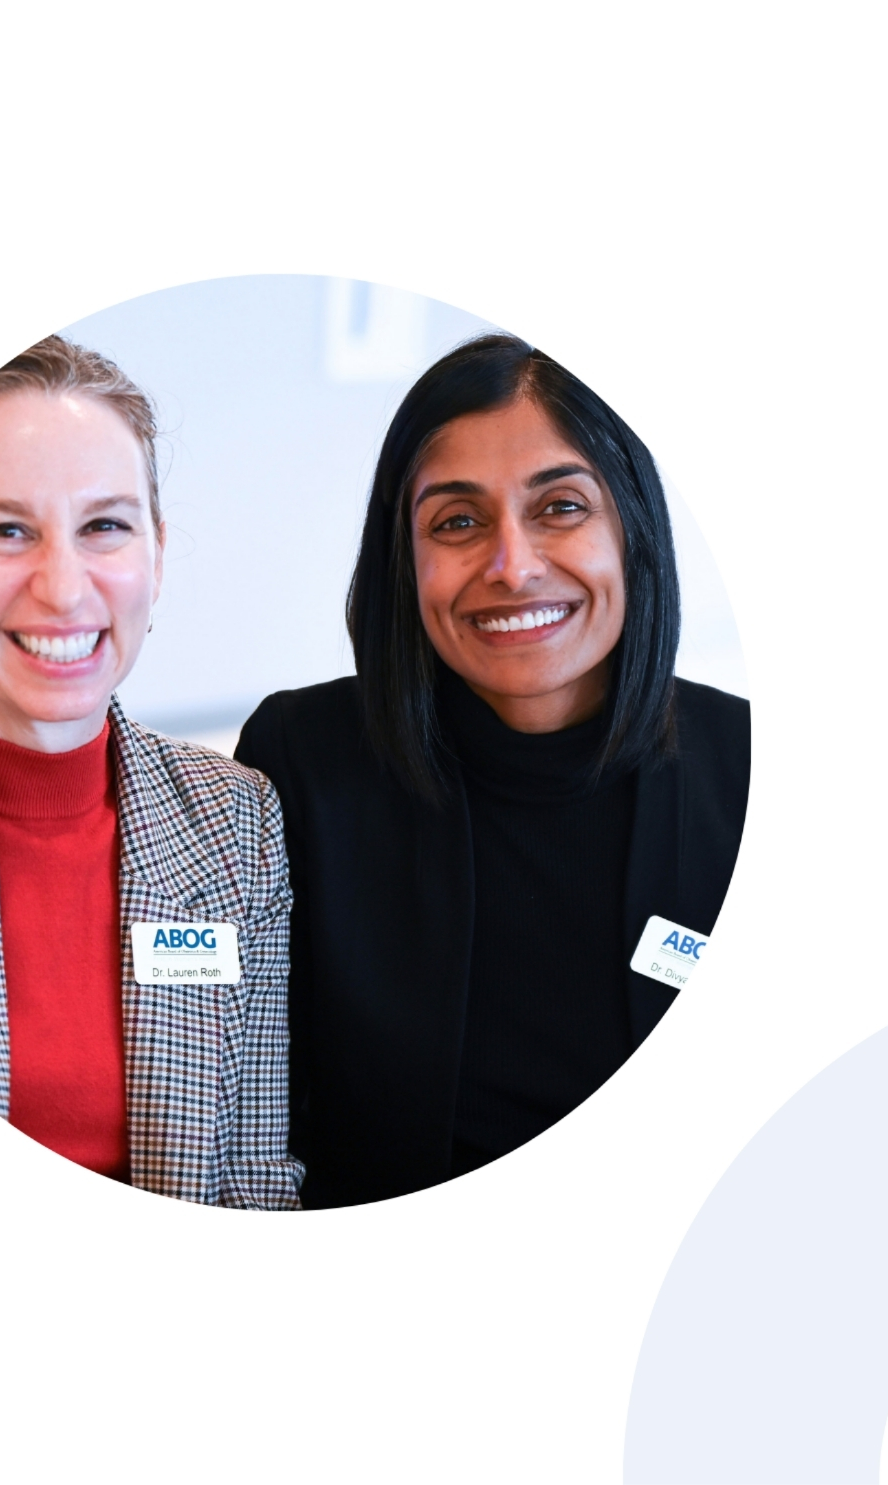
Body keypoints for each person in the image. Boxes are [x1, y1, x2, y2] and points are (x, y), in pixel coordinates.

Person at [234, 333, 749, 1208]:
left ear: (633, 529)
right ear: (405, 560)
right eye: (458, 522)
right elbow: (248, 1106)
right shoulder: (301, 761)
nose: (512, 566)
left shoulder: (750, 770)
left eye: (561, 507)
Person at [0, 335, 301, 1209]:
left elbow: (254, 1177)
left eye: (104, 526)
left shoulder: (237, 820)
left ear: (156, 552)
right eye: (7, 530)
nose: (65, 587)